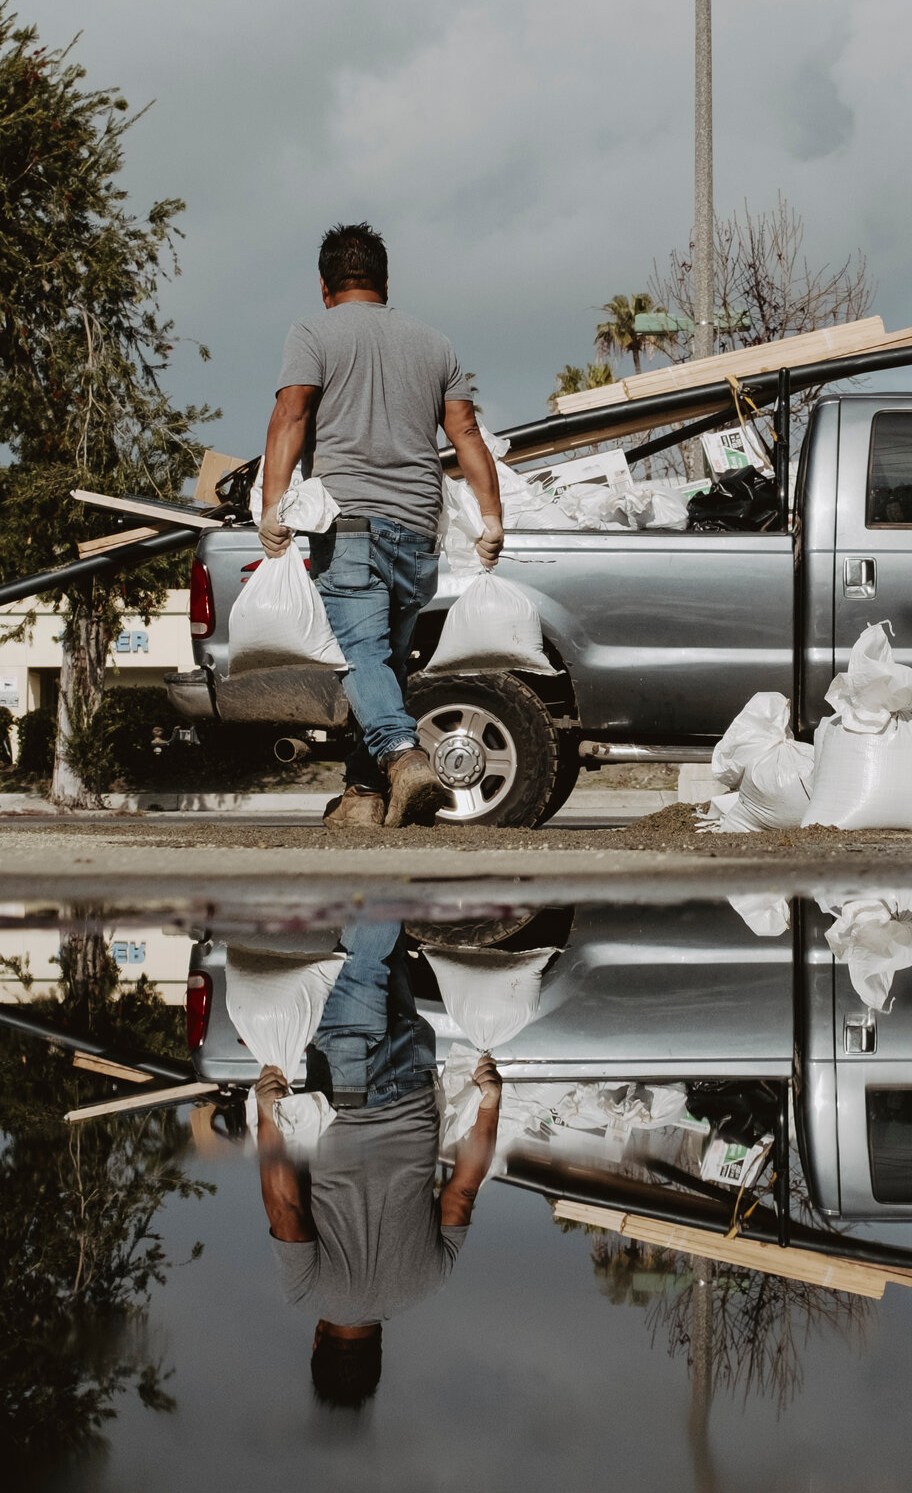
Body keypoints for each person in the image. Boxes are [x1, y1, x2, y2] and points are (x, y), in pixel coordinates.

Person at [258, 222, 504, 828]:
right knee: (386, 667)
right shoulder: (435, 343)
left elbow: (291, 414)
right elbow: (467, 432)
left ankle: (401, 753)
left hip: (349, 525)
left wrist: (272, 504)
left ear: (325, 286)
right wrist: (492, 518)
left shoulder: (312, 331)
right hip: (419, 527)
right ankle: (363, 800)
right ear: (385, 282)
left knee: (362, 656)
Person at [254, 922, 502, 1410]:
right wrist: (268, 1118)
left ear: (379, 1348)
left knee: (386, 952)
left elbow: (463, 1191)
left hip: (413, 1083)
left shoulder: (428, 1283)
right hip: (346, 1088)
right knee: (365, 947)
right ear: (317, 1342)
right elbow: (285, 1209)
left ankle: (392, 864)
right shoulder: (307, 1294)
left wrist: (489, 1102)